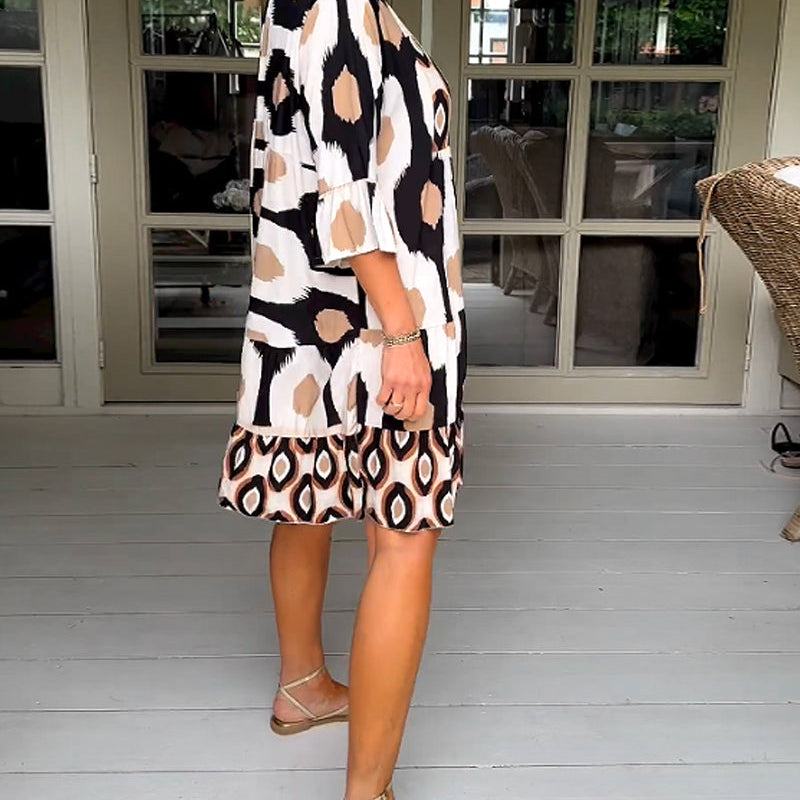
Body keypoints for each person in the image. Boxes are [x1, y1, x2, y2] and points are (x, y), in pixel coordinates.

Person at [218, 1, 466, 798]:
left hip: (302, 307)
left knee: (308, 497)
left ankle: (303, 687)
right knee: (404, 537)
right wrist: (401, 330)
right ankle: (368, 792)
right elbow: (345, 184)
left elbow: (307, 152)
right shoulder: (341, 3)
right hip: (383, 311)